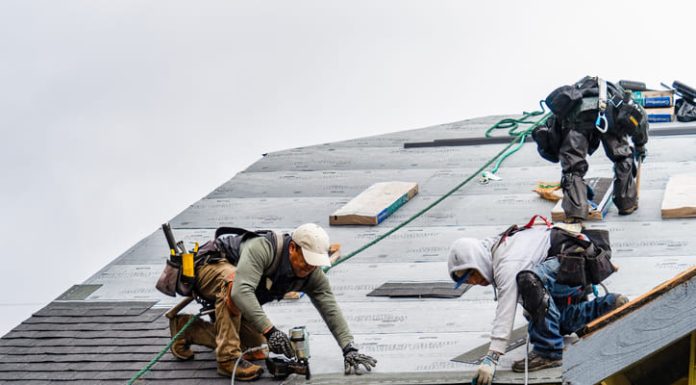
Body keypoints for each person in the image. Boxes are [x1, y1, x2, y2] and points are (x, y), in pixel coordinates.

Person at [169, 223, 377, 381]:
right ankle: (227, 360)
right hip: (210, 269)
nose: (309, 268)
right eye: (306, 261)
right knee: (234, 282)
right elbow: (241, 291)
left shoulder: (311, 273)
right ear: (293, 248)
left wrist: (349, 348)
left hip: (233, 301)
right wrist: (271, 331)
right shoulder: (263, 249)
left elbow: (329, 307)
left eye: (314, 264)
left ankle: (188, 329)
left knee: (257, 348)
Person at [447, 220, 628, 385]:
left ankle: (548, 352)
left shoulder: (506, 262)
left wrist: (492, 358)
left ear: (476, 261)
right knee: (556, 324)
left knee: (527, 281)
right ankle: (609, 305)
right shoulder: (494, 249)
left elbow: (505, 309)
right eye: (467, 281)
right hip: (572, 264)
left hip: (573, 261)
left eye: (471, 275)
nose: (474, 282)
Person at [546, 76, 649, 222]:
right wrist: (640, 146)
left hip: (578, 121)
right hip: (608, 116)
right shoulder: (617, 96)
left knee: (572, 168)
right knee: (622, 157)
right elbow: (640, 121)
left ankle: (576, 212)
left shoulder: (571, 98)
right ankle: (626, 203)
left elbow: (554, 133)